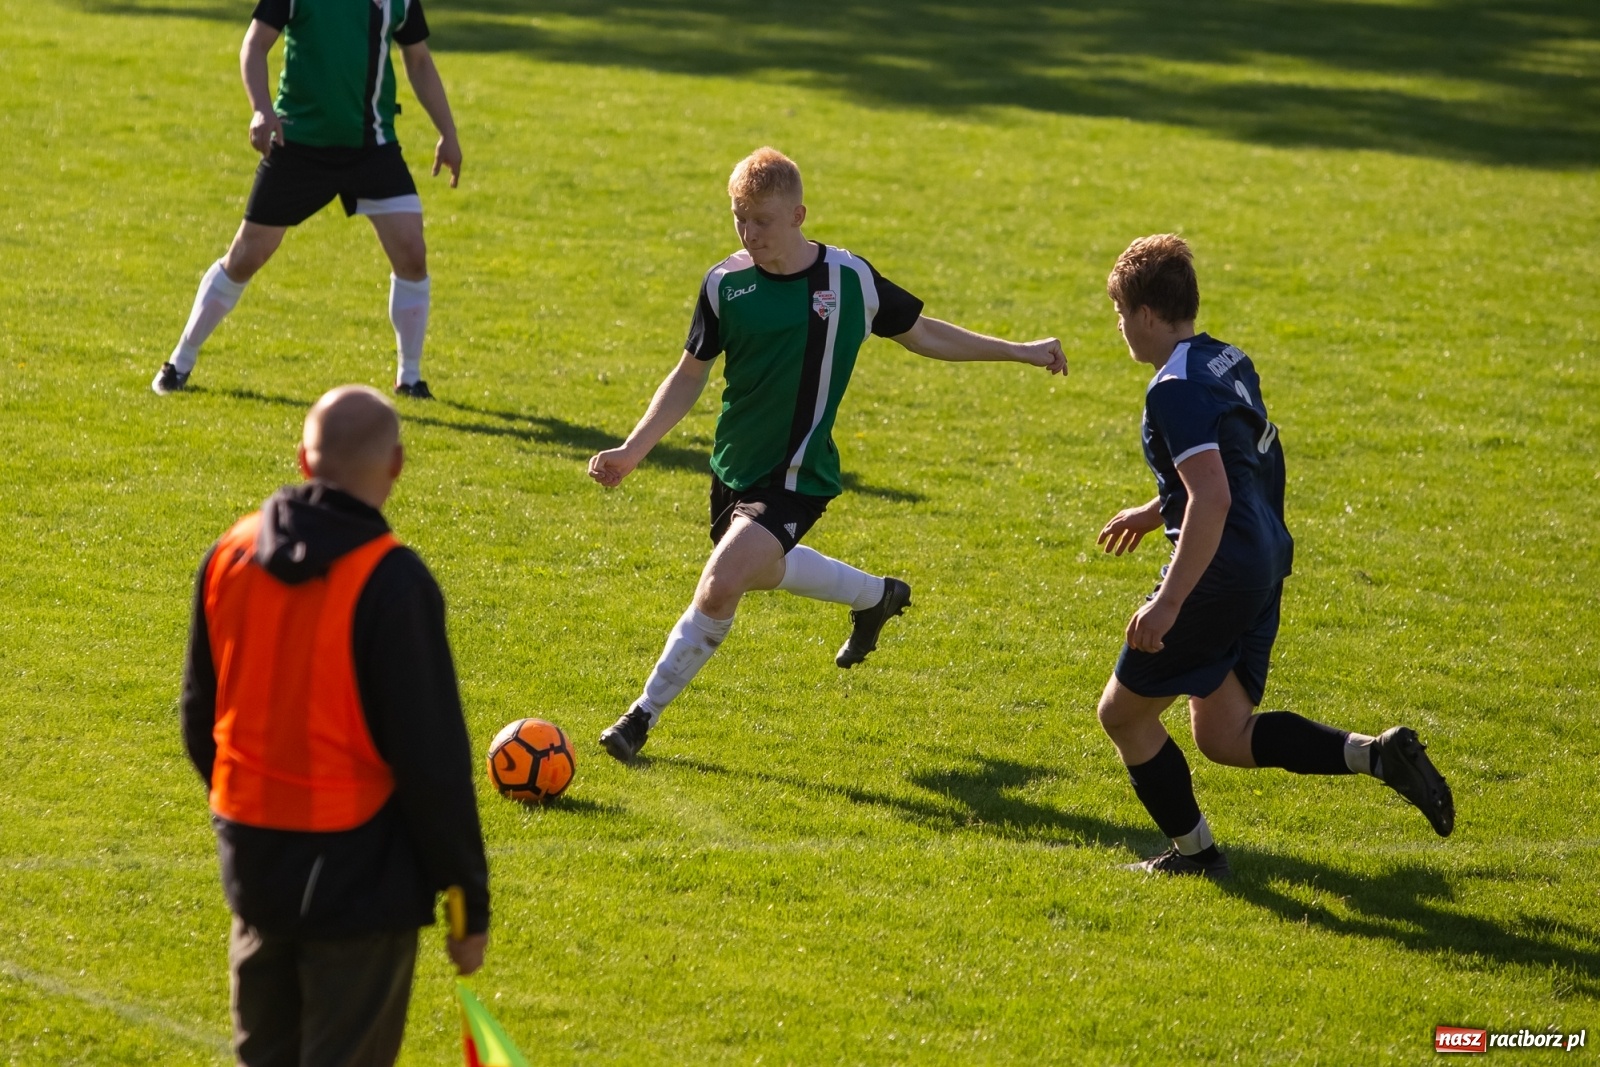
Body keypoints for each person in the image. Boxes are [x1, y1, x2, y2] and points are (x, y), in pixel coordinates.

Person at [587, 146, 1067, 763]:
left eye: (762, 219)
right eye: (739, 217)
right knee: (758, 569)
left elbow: (922, 331)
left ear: (799, 214)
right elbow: (689, 374)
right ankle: (877, 597)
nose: (749, 232)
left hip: (798, 474)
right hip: (733, 466)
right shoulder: (724, 283)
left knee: (722, 582)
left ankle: (638, 719)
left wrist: (1020, 350)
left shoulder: (848, 279)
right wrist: (633, 449)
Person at [1093, 234, 1454, 879]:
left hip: (1218, 570)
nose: (1121, 330)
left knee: (1121, 715)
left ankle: (1199, 856)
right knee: (1224, 734)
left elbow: (1213, 496)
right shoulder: (1225, 359)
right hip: (1262, 563)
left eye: (1121, 316)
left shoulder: (1169, 389)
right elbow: (1240, 464)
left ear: (1146, 314)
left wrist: (1168, 602)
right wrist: (1154, 514)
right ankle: (1379, 756)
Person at [181, 385, 489, 1064]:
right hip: (362, 881)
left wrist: (253, 810)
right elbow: (431, 760)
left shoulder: (228, 554)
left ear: (303, 457)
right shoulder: (392, 581)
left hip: (255, 863)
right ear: (398, 463)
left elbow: (199, 718)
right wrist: (467, 900)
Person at [152, 0, 462, 400]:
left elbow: (418, 60)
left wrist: (448, 133)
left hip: (372, 146)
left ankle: (411, 379)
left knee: (412, 252)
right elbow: (254, 45)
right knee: (246, 255)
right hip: (299, 143)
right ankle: (179, 362)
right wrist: (261, 110)